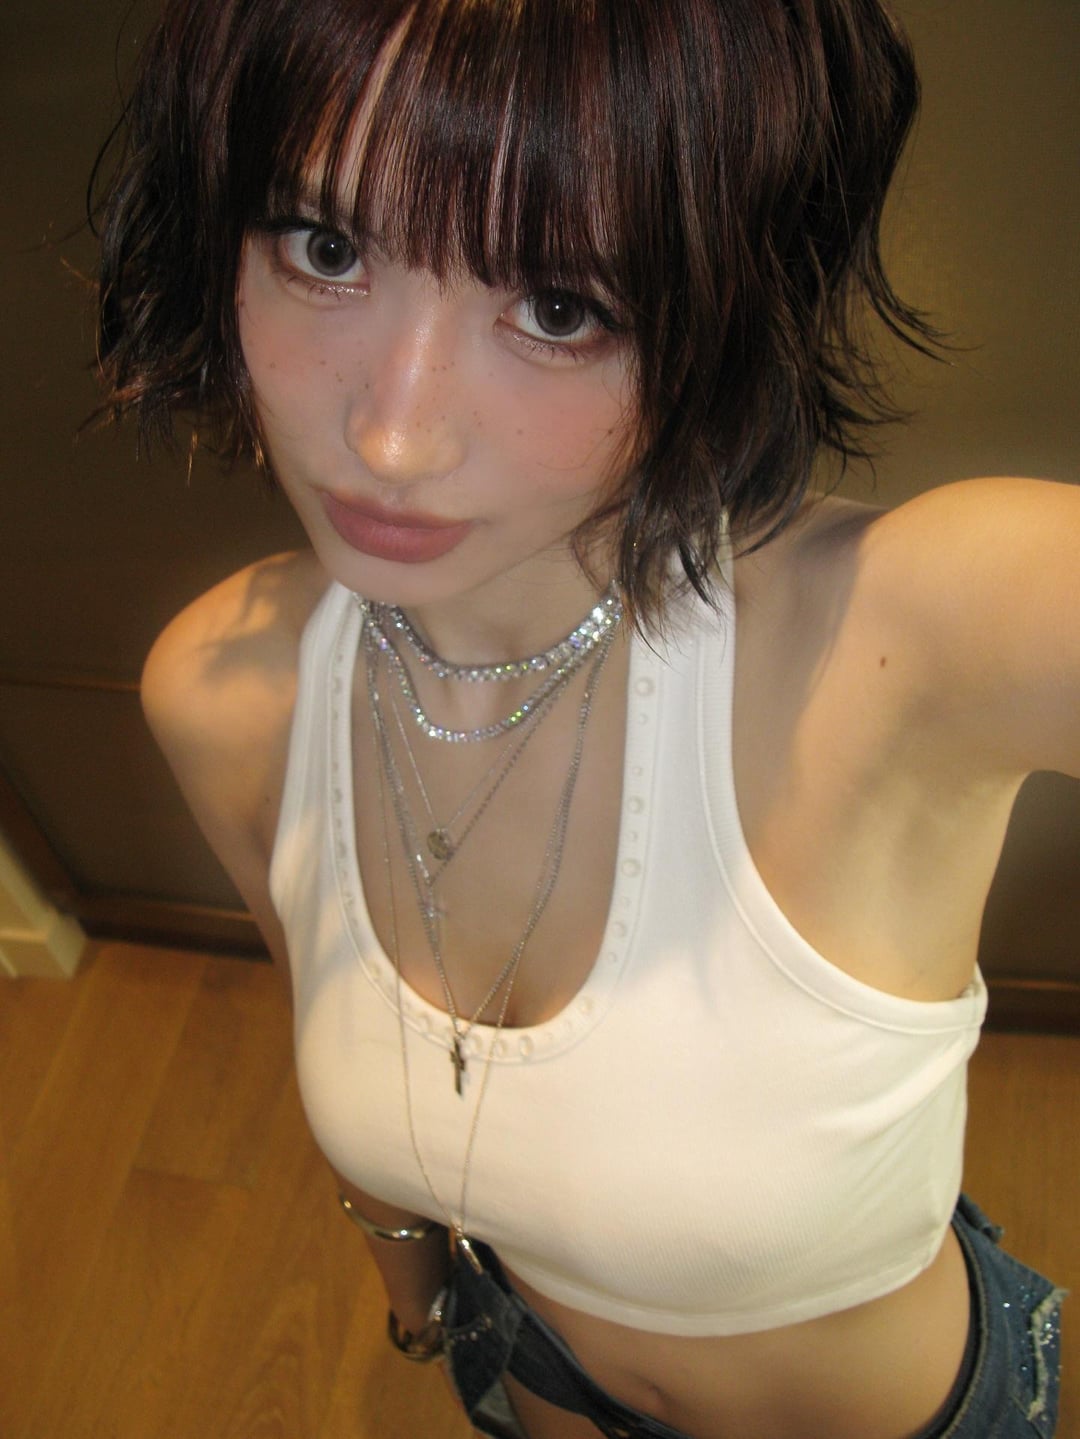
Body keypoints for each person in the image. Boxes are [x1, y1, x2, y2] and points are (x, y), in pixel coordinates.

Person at [92, 1, 1073, 1435]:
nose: (392, 434)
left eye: (560, 309)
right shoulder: (224, 695)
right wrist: (422, 1305)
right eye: (326, 248)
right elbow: (358, 1096)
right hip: (529, 1381)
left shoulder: (898, 638)